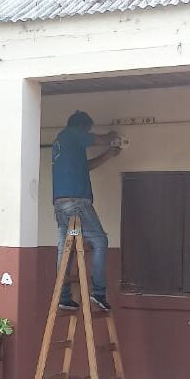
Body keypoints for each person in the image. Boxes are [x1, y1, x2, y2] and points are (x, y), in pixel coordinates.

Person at [52, 110, 121, 311]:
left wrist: (109, 154)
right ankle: (98, 292)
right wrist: (112, 137)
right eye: (88, 130)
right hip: (77, 202)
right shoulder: (72, 133)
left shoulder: (62, 143)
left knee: (66, 246)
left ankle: (64, 296)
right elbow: (100, 139)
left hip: (61, 205)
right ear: (82, 126)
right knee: (100, 240)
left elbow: (87, 166)